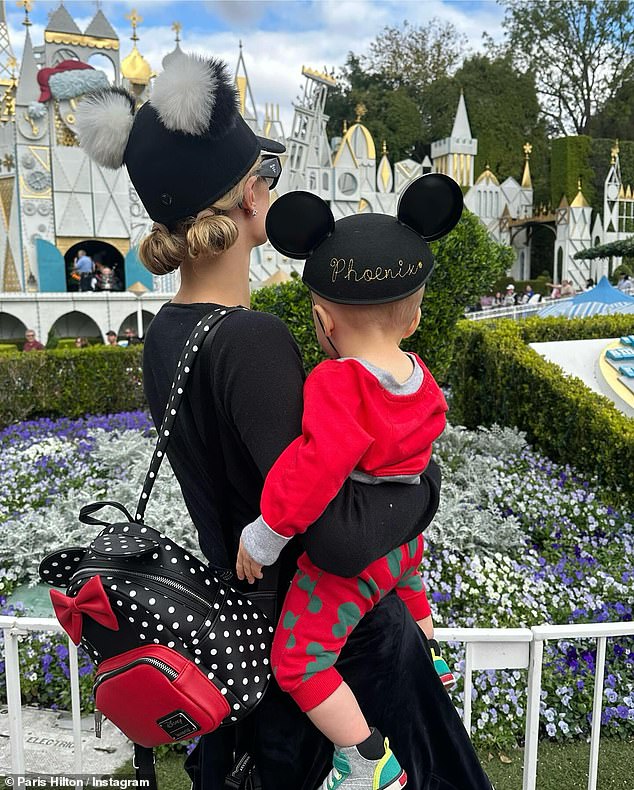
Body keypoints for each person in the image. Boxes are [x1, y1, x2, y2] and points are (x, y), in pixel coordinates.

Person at [78, 52, 493, 790]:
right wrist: (426, 484)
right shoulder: (253, 340)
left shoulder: (169, 332)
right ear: (245, 196)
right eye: (264, 177)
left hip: (246, 642)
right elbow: (335, 534)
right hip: (332, 656)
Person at [235, 182, 460, 789]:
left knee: (298, 662)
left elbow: (314, 468)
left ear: (321, 319)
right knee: (408, 584)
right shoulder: (421, 379)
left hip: (351, 569)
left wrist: (264, 536)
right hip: (404, 550)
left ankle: (365, 759)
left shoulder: (338, 384)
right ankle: (433, 656)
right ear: (413, 317)